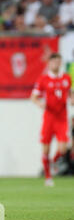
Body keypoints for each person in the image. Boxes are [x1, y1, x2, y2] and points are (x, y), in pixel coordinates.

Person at [31, 53, 73, 186]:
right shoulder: (43, 79)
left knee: (63, 149)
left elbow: (70, 92)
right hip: (49, 118)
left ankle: (53, 164)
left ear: (60, 63)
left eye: (58, 62)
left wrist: (72, 99)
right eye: (53, 62)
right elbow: (33, 96)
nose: (56, 64)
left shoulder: (67, 78)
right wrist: (39, 103)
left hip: (62, 118)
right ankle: (48, 177)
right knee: (46, 149)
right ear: (49, 63)